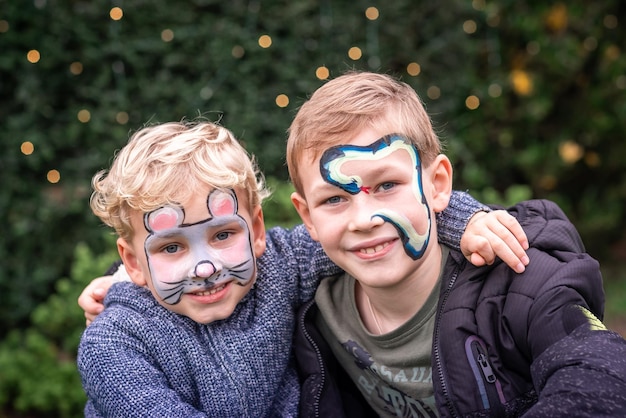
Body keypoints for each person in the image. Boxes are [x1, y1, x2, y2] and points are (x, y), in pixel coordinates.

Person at [77, 119, 530, 417]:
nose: (204, 267)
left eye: (221, 235)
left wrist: (463, 220)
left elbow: (365, 229)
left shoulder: (276, 266)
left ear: (256, 230)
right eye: (172, 247)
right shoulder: (113, 344)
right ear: (134, 262)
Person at [286, 71, 626, 417]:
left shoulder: (520, 282)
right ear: (308, 216)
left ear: (438, 185)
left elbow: (603, 375)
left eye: (387, 185)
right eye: (334, 200)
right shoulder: (317, 310)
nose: (364, 219)